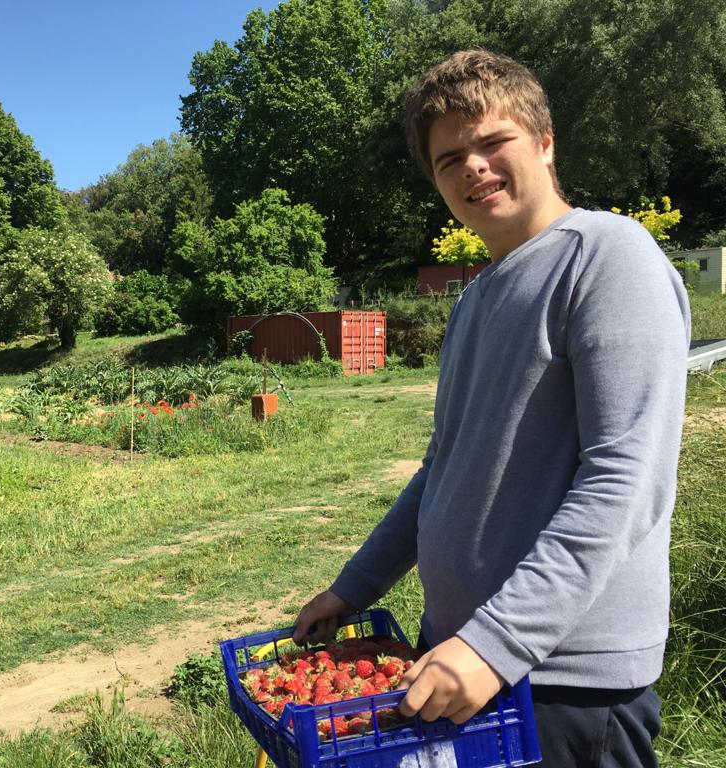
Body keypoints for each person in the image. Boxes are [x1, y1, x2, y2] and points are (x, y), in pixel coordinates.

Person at [292, 50, 690, 767]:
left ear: (544, 141)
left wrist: (493, 643)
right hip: (455, 661)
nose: (472, 167)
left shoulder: (608, 257)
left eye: (492, 142)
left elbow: (627, 478)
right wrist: (353, 588)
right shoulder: (474, 298)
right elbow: (442, 469)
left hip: (561, 680)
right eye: (449, 160)